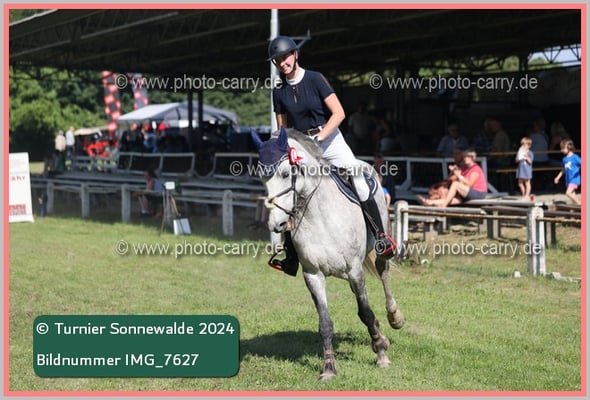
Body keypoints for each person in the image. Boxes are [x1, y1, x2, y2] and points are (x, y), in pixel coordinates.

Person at [267, 35, 396, 275]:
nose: (282, 63)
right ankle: (291, 256)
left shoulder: (315, 79)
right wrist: (284, 149)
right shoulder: (278, 91)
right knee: (290, 192)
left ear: (295, 55)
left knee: (358, 178)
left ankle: (381, 237)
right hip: (302, 147)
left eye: (285, 57)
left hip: (329, 141)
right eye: (278, 60)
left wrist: (319, 138)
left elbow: (339, 113)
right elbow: (282, 128)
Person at [418, 149, 488, 207]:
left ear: (472, 158)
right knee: (451, 197)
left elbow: (469, 184)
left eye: (467, 157)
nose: (465, 159)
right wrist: (453, 172)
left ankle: (444, 205)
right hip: (467, 193)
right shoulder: (466, 169)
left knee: (455, 184)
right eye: (464, 157)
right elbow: (453, 179)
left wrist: (459, 175)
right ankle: (429, 202)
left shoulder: (476, 169)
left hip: (478, 193)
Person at [553, 139, 581, 205]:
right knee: (572, 194)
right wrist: (558, 177)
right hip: (568, 180)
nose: (561, 150)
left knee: (568, 193)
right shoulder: (564, 159)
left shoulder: (575, 157)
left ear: (569, 147)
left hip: (575, 179)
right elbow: (563, 170)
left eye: (563, 148)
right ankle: (575, 207)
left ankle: (579, 203)